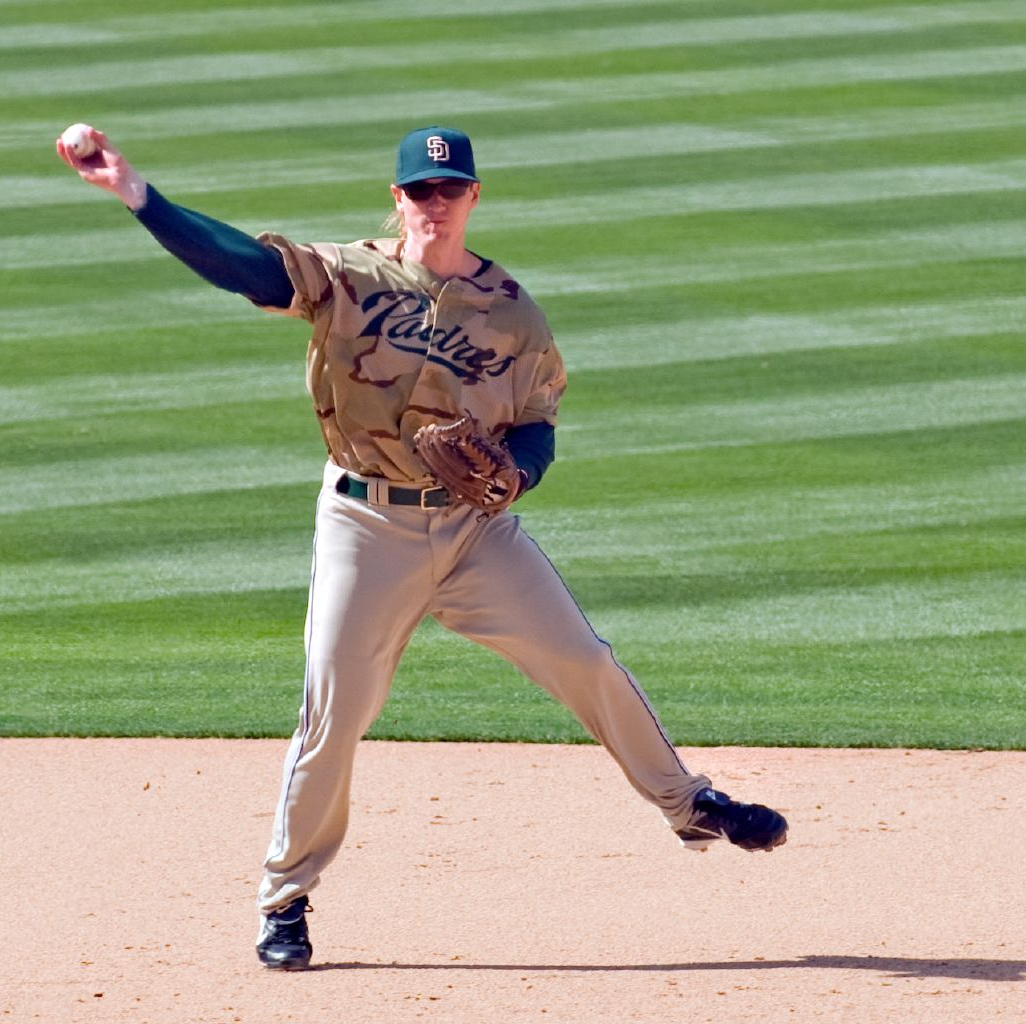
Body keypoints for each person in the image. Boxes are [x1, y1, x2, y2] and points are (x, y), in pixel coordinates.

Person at [56, 124, 788, 971]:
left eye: (450, 190)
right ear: (396, 197)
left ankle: (690, 804)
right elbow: (242, 266)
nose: (434, 203)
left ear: (473, 196)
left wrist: (516, 475)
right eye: (419, 190)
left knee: (582, 657)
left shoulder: (514, 311)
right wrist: (137, 193)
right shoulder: (348, 275)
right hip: (368, 527)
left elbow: (538, 423)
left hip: (477, 531)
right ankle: (285, 898)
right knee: (334, 714)